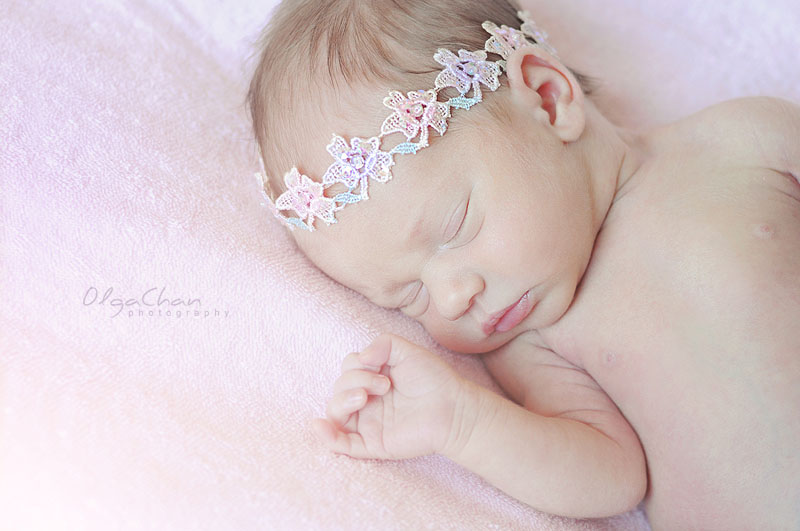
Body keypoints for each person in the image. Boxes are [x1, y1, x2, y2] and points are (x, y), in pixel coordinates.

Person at [247, 1, 800, 527]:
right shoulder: (532, 342)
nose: (450, 300)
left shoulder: (739, 141)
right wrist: (460, 420)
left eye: (456, 227)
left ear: (548, 99)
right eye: (408, 296)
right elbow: (610, 478)